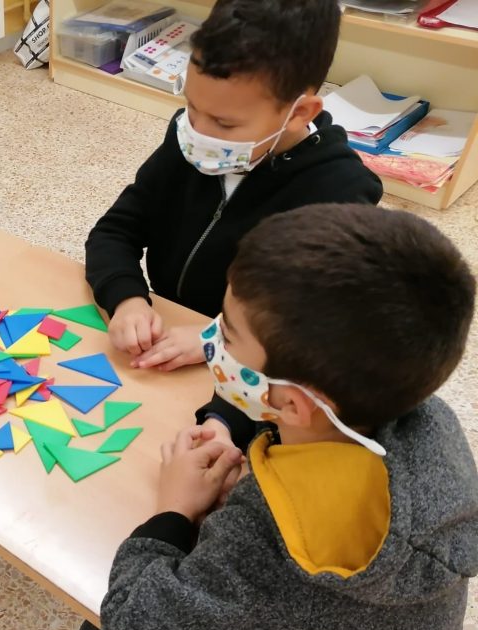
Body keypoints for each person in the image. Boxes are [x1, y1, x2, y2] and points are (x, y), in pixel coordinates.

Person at [26, 203, 478, 630]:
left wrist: (173, 513)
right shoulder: (416, 413)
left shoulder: (291, 539)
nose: (210, 340)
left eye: (227, 335)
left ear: (293, 403)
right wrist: (245, 441)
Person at [86, 0, 381, 382]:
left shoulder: (339, 190)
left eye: (224, 124)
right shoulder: (188, 138)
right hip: (167, 328)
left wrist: (218, 338)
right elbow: (114, 230)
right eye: (191, 106)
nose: (198, 132)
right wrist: (126, 299)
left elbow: (314, 316)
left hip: (245, 367)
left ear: (298, 113)